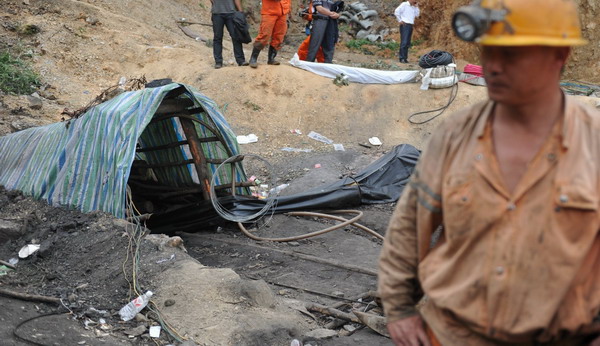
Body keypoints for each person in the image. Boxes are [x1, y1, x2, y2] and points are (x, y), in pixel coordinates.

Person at [378, 0, 600, 345]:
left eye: (511, 55)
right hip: (452, 333)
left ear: (559, 56)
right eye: (488, 51)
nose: (493, 67)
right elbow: (410, 226)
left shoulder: (593, 144)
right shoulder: (455, 135)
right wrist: (399, 309)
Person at [249, 0, 291, 68]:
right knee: (265, 34)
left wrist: (289, 11)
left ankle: (271, 59)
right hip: (269, 11)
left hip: (283, 11)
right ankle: (253, 58)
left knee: (279, 36)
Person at [210, 0, 247, 69]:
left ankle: (241, 60)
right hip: (217, 13)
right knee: (217, 37)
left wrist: (240, 11)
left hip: (231, 13)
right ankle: (218, 61)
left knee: (235, 36)